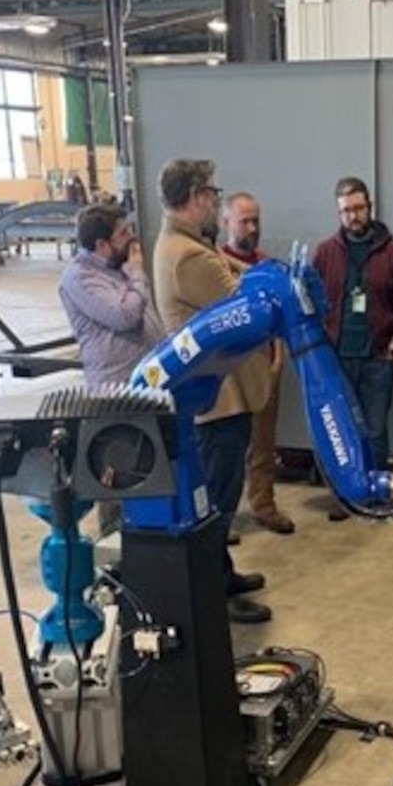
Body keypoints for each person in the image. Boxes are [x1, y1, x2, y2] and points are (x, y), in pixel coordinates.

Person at [152, 158, 273, 625]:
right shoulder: (189, 256)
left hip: (216, 391)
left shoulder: (183, 246)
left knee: (221, 492)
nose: (215, 204)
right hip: (216, 397)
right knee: (217, 503)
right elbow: (245, 307)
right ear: (197, 197)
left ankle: (220, 575)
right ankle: (210, 596)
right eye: (212, 196)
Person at [58, 203, 165, 535]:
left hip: (146, 388)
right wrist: (137, 274)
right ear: (101, 244)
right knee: (119, 478)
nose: (132, 238)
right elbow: (124, 316)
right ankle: (118, 568)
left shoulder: (114, 268)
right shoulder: (81, 278)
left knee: (150, 475)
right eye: (123, 233)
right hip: (115, 395)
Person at [313, 177, 393, 516]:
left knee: (375, 429)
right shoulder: (325, 253)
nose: (353, 216)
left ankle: (377, 492)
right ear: (338, 213)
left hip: (378, 356)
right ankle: (345, 495)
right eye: (345, 211)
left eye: (358, 208)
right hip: (337, 358)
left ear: (369, 207)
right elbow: (312, 301)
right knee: (341, 430)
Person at [220, 191, 295, 535]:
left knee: (263, 443)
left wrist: (278, 356)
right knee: (228, 447)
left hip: (265, 366)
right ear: (226, 223)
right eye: (244, 221)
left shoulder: (267, 266)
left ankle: (263, 504)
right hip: (229, 372)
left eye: (256, 220)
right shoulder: (214, 266)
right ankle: (222, 518)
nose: (252, 227)